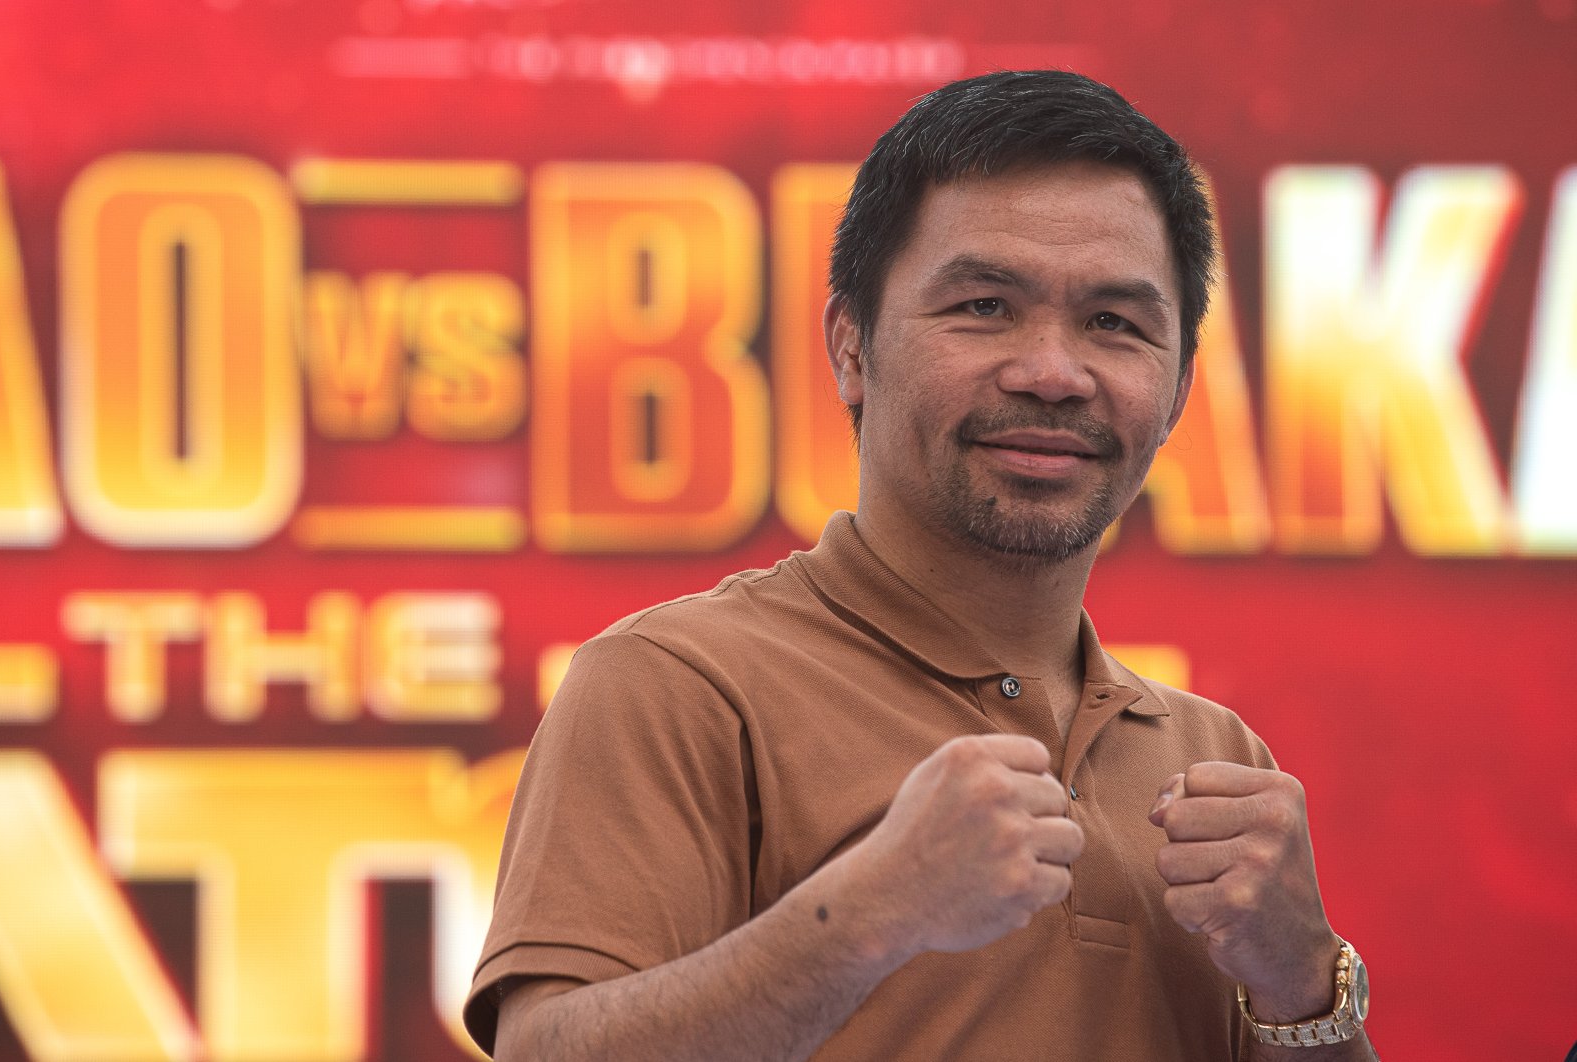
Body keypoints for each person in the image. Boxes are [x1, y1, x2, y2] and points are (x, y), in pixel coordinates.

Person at [465, 70, 1376, 1060]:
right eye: (985, 305)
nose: (1053, 373)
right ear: (850, 347)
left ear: (1176, 391)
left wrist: (1300, 981)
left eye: (1115, 323)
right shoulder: (678, 684)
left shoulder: (1217, 758)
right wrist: (870, 913)